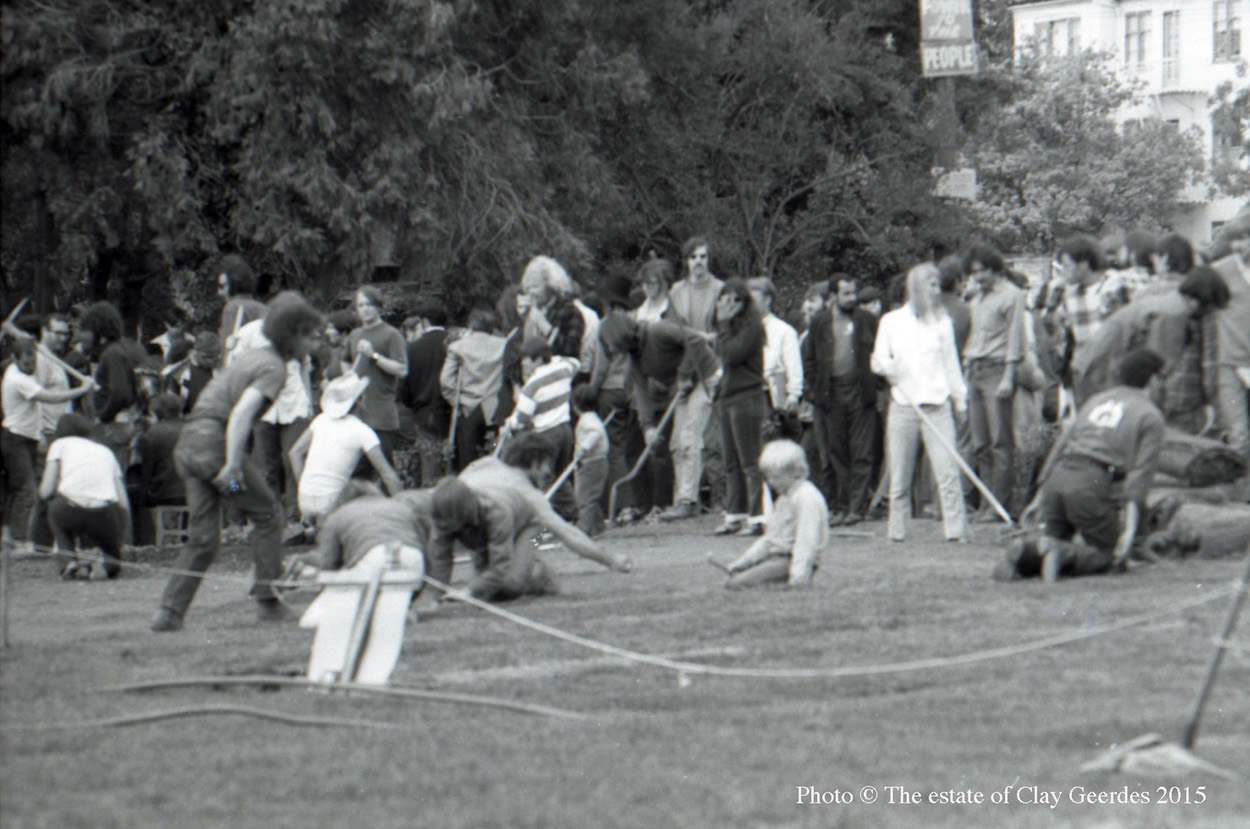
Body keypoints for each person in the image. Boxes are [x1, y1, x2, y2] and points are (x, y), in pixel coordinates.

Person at [151, 292, 323, 632]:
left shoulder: (253, 357)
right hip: (216, 453)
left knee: (204, 538)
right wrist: (231, 466)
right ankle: (268, 603)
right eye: (311, 335)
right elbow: (243, 413)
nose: (316, 342)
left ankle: (168, 613)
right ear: (293, 335)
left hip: (190, 450)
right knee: (269, 514)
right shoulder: (274, 367)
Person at [1003, 349, 1168, 582]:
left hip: (1058, 477)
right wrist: (1130, 533)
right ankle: (1062, 554)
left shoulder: (1096, 400)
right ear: (1152, 379)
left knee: (1051, 541)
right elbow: (1140, 479)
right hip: (1091, 482)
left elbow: (1061, 444)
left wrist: (1040, 494)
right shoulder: (1150, 415)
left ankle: (1025, 553)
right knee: (1109, 557)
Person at [427, 434, 632, 602]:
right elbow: (569, 534)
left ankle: (536, 569)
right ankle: (526, 561)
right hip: (486, 527)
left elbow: (566, 534)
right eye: (546, 464)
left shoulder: (485, 465)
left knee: (513, 579)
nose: (549, 472)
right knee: (489, 585)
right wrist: (612, 560)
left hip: (530, 531)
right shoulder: (525, 491)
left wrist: (610, 561)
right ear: (534, 462)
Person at [870, 263, 968, 543]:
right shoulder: (891, 321)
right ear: (916, 288)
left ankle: (956, 532)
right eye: (932, 286)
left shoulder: (943, 323)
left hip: (937, 406)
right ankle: (897, 532)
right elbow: (877, 360)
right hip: (904, 406)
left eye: (938, 285)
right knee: (900, 475)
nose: (937, 291)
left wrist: (960, 401)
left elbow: (951, 367)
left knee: (947, 472)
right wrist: (891, 368)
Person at [802, 274, 881, 526]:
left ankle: (857, 508)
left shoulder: (867, 320)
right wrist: (815, 391)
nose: (852, 298)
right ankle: (841, 505)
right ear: (833, 296)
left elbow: (878, 354)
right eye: (846, 293)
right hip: (831, 394)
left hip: (860, 392)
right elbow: (810, 360)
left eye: (853, 292)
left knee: (862, 451)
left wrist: (875, 387)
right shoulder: (819, 322)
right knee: (837, 451)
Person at [2, 338, 95, 552]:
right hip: (15, 439)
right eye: (26, 364)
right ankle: (19, 542)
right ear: (14, 359)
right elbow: (50, 398)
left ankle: (19, 539)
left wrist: (40, 348)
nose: (31, 366)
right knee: (27, 489)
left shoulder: (22, 372)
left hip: (27, 437)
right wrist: (82, 389)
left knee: (21, 489)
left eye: (33, 362)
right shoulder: (17, 379)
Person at [962, 243, 1027, 521]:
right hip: (974, 370)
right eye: (974, 272)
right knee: (980, 442)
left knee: (1001, 442)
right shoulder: (976, 295)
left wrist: (1009, 377)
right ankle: (986, 503)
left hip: (997, 370)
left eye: (982, 271)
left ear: (995, 269)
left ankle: (999, 505)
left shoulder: (1012, 295)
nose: (977, 276)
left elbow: (1016, 339)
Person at [663, 236, 724, 521]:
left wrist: (699, 338)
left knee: (692, 434)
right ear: (686, 261)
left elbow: (720, 334)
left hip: (708, 370)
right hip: (683, 371)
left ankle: (689, 499)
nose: (698, 262)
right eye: (693, 257)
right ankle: (681, 496)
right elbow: (676, 333)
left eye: (703, 256)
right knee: (677, 439)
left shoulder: (720, 290)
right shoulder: (676, 292)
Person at [289, 373, 402, 524]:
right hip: (332, 503)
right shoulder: (363, 431)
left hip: (304, 500)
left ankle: (313, 524)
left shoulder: (320, 421)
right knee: (366, 488)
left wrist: (303, 487)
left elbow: (294, 453)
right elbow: (387, 475)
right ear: (360, 401)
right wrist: (403, 507)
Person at [718, 439, 829, 589]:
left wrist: (799, 576)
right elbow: (770, 539)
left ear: (796, 472)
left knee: (735, 585)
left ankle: (782, 582)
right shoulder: (784, 497)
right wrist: (742, 563)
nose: (771, 482)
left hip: (789, 560)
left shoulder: (806, 497)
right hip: (776, 556)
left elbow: (806, 540)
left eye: (775, 477)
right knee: (735, 579)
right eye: (768, 477)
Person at [38, 413, 130, 579]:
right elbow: (123, 502)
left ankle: (68, 560)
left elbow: (46, 490)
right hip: (105, 511)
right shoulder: (105, 451)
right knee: (112, 555)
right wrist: (121, 533)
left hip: (69, 507)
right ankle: (106, 565)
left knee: (55, 511)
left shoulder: (59, 444)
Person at [711, 279, 768, 536]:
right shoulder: (726, 328)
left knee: (750, 461)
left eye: (736, 300)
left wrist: (722, 324)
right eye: (725, 299)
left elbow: (732, 354)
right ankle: (736, 514)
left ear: (745, 304)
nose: (730, 305)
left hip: (747, 397)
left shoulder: (752, 327)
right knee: (731, 460)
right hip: (728, 397)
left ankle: (757, 517)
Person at [502, 336, 578, 518]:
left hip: (545, 435)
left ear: (537, 359)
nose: (523, 364)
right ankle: (571, 514)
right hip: (565, 429)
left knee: (545, 480)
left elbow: (521, 419)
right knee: (561, 476)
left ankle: (555, 519)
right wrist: (556, 358)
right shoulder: (564, 368)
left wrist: (508, 424)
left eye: (526, 359)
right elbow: (575, 362)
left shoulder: (532, 386)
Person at [1206, 209, 1250, 467]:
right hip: (1230, 362)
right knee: (1238, 434)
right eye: (1235, 239)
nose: (1238, 246)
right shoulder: (1220, 272)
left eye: (1245, 238)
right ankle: (1239, 497)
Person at [440, 308, 509, 471]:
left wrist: (455, 401)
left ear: (471, 326)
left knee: (468, 458)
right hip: (495, 407)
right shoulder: (504, 344)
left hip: (468, 407)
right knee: (495, 454)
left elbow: (445, 380)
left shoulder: (458, 347)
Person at [344, 286, 408, 461]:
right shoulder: (354, 335)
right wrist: (348, 383)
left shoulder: (391, 334)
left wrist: (374, 355)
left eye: (369, 304)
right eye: (360, 305)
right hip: (357, 417)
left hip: (381, 417)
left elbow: (402, 370)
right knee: (358, 476)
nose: (365, 309)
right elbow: (345, 362)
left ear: (379, 306)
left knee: (383, 473)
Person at [398, 304, 450, 486]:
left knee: (429, 467)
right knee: (452, 465)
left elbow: (403, 388)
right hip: (452, 411)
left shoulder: (413, 349)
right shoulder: (452, 344)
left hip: (423, 411)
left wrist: (412, 404)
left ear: (425, 322)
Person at [748, 277, 803, 437]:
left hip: (771, 400)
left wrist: (793, 396)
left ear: (767, 300)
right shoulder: (740, 330)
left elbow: (794, 369)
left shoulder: (784, 331)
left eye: (754, 301)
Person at [136, 393, 186, 508]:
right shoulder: (193, 428)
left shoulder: (151, 434)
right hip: (193, 493)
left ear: (155, 413)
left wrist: (141, 504)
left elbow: (147, 473)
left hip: (164, 495)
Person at [571, 383, 609, 536]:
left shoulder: (587, 420)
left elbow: (595, 433)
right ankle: (597, 525)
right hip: (593, 462)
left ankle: (585, 528)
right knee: (591, 495)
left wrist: (584, 448)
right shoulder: (592, 418)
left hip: (592, 462)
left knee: (585, 497)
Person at [216, 254, 267, 350]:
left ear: (234, 283)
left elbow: (229, 350)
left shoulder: (233, 308)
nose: (219, 292)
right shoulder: (263, 308)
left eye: (222, 286)